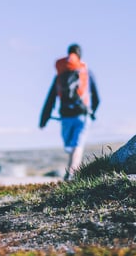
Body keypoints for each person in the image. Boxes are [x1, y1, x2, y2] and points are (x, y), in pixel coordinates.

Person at [39, 43, 100, 180]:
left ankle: (71, 171)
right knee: (77, 146)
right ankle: (71, 172)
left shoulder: (60, 76)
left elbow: (50, 99)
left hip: (65, 116)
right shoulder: (86, 73)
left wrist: (44, 119)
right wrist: (93, 112)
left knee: (70, 145)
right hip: (82, 116)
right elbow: (97, 98)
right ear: (80, 55)